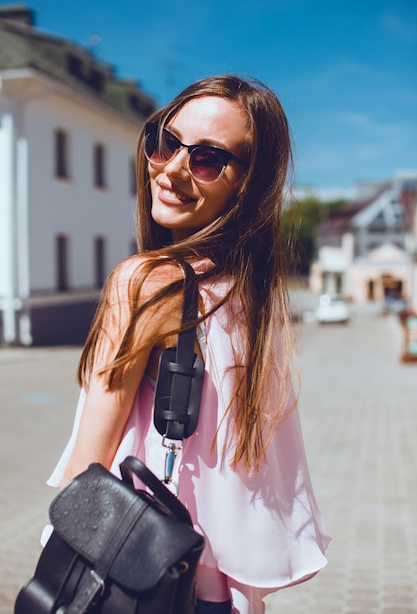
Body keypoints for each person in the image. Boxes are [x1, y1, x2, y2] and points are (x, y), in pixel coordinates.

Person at [47, 74, 331, 614]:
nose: (172, 167)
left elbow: (90, 470)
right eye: (165, 140)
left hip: (135, 579)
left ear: (247, 183)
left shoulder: (146, 281)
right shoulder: (251, 295)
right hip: (215, 594)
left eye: (206, 158)